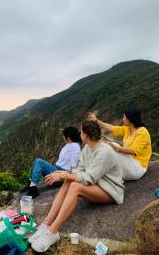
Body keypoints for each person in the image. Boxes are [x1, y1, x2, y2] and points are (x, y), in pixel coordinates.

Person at [29, 120, 124, 252]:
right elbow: (80, 170)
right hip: (97, 184)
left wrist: (63, 176)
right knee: (69, 180)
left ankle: (53, 231)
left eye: (81, 132)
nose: (80, 134)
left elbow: (89, 178)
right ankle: (46, 223)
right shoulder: (87, 148)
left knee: (75, 186)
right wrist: (64, 173)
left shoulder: (104, 152)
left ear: (85, 135)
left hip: (109, 190)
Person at [88, 108, 152, 180]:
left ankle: (94, 172)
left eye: (124, 117)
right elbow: (112, 128)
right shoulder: (127, 129)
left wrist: (117, 148)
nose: (123, 119)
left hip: (137, 169)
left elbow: (134, 151)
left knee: (112, 147)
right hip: (129, 164)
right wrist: (96, 121)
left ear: (130, 119)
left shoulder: (142, 132)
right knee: (110, 147)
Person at [22, 126, 82, 198]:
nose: (63, 137)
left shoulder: (75, 147)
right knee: (36, 162)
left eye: (64, 136)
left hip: (61, 175)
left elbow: (74, 166)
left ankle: (33, 189)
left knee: (39, 162)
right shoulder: (70, 145)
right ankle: (30, 184)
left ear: (68, 138)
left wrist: (68, 177)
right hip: (57, 169)